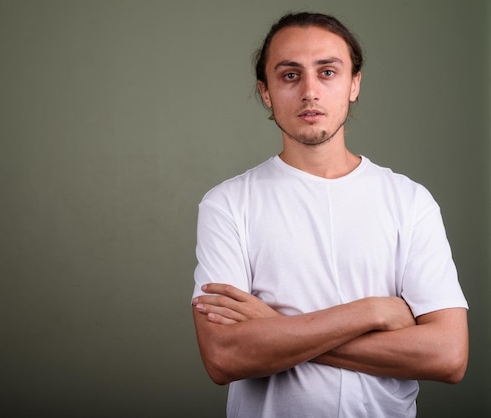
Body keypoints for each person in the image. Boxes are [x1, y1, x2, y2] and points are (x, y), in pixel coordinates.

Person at [191, 11, 469, 418]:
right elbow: (224, 357)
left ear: (353, 83)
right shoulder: (227, 204)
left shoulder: (410, 201)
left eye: (327, 72)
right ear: (265, 91)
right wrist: (371, 312)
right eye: (289, 75)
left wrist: (274, 326)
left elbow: (447, 356)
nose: (309, 92)